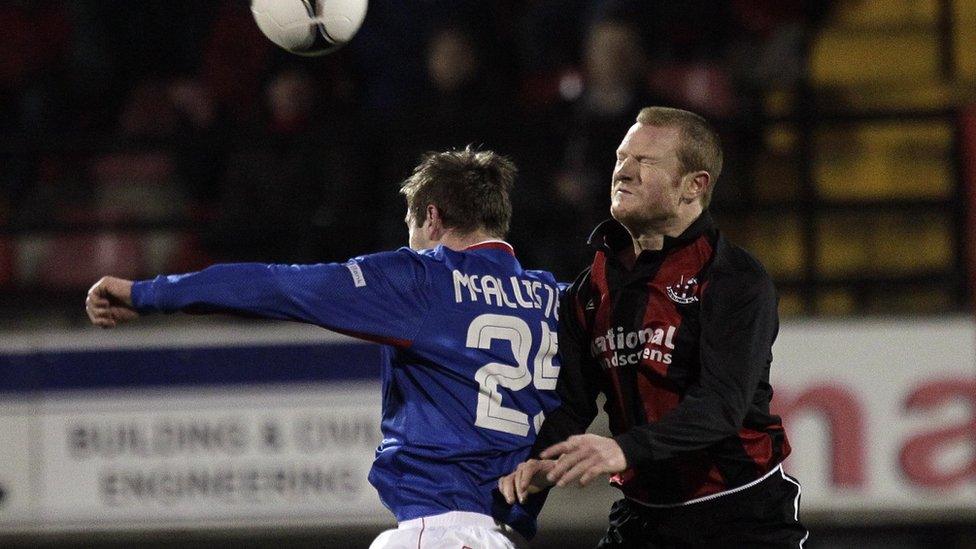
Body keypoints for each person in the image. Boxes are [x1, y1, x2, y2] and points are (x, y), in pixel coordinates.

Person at [86, 147, 561, 549]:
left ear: (432, 218)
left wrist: (148, 294)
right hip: (501, 536)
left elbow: (277, 286)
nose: (412, 242)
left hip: (437, 528)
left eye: (411, 227)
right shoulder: (555, 299)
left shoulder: (423, 280)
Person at [499, 107, 808, 547]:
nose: (623, 171)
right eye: (622, 158)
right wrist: (534, 470)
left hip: (738, 517)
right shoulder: (589, 290)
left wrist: (623, 449)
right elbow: (573, 404)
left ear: (693, 186)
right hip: (642, 518)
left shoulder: (732, 277)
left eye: (645, 161)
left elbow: (721, 406)